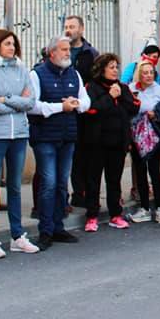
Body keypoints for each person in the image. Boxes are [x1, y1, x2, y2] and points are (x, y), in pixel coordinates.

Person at [0, 29, 40, 258]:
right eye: (6, 43)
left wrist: (9, 99)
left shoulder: (22, 69)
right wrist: (17, 101)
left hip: (20, 134)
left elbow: (30, 101)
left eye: (13, 44)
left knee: (14, 186)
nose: (11, 47)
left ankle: (17, 236)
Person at [28, 36, 90, 250]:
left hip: (67, 136)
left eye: (68, 50)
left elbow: (86, 100)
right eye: (63, 49)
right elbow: (32, 105)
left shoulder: (74, 74)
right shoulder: (36, 74)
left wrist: (77, 104)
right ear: (51, 53)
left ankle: (58, 226)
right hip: (45, 137)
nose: (67, 53)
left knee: (62, 183)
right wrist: (59, 107)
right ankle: (45, 230)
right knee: (49, 183)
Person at [82, 53, 139, 232]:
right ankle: (91, 216)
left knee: (114, 181)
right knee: (93, 181)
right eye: (111, 67)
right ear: (102, 69)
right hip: (96, 143)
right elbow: (91, 110)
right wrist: (109, 96)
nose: (115, 70)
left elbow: (134, 107)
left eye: (116, 67)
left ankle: (116, 214)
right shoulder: (91, 87)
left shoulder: (122, 87)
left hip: (118, 143)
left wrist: (120, 96)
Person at [126, 61, 160, 224]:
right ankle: (144, 208)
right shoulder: (132, 89)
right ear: (139, 74)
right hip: (136, 136)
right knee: (140, 172)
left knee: (154, 171)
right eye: (145, 72)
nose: (149, 75)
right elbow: (127, 109)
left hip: (154, 135)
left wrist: (156, 114)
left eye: (151, 72)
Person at [63, 15, 98, 210]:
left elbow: (95, 80)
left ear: (81, 29)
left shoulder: (90, 53)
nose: (69, 30)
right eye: (66, 27)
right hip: (63, 109)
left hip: (83, 111)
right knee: (69, 154)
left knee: (83, 154)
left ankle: (81, 192)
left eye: (72, 27)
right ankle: (68, 194)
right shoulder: (58, 50)